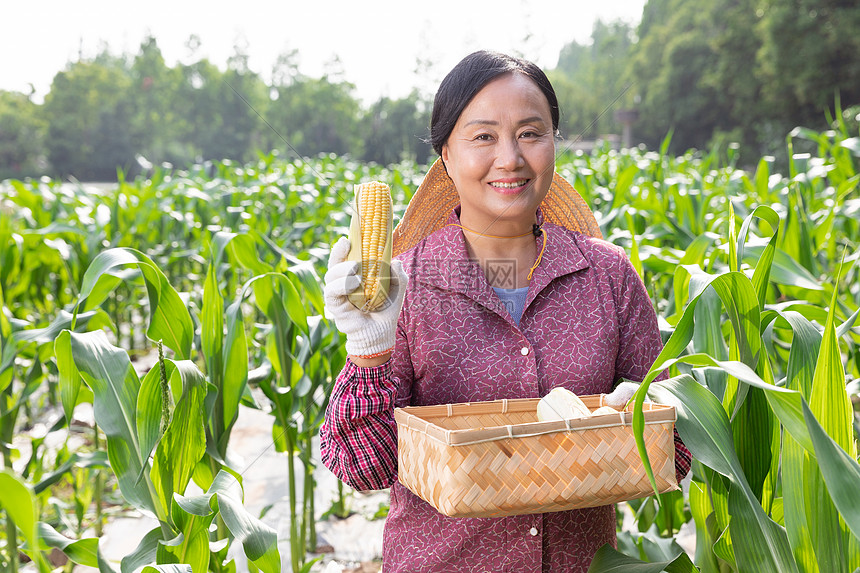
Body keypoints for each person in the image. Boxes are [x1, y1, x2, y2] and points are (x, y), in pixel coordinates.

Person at [321, 50, 691, 573]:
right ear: (446, 154)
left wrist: (640, 418)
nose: (510, 158)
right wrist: (368, 350)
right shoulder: (400, 285)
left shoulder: (608, 275)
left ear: (554, 143)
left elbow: (677, 452)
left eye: (530, 133)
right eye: (483, 136)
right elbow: (364, 467)